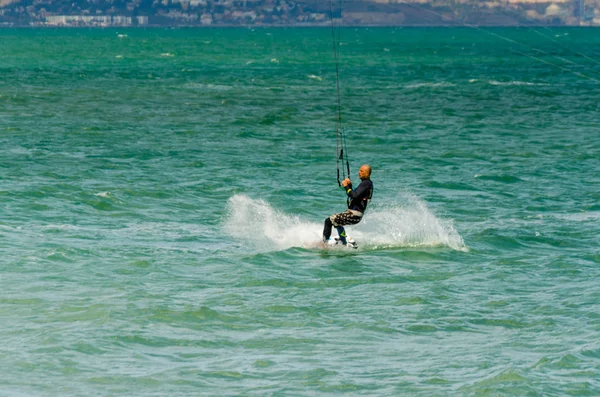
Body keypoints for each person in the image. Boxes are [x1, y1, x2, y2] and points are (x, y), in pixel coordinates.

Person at [323, 164, 373, 247]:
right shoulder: (367, 184)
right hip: (356, 215)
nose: (359, 172)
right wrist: (349, 186)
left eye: (361, 171)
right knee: (337, 223)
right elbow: (356, 195)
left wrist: (346, 186)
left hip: (354, 214)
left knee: (328, 221)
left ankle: (324, 244)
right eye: (359, 170)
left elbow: (353, 195)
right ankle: (344, 242)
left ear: (367, 174)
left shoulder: (366, 184)